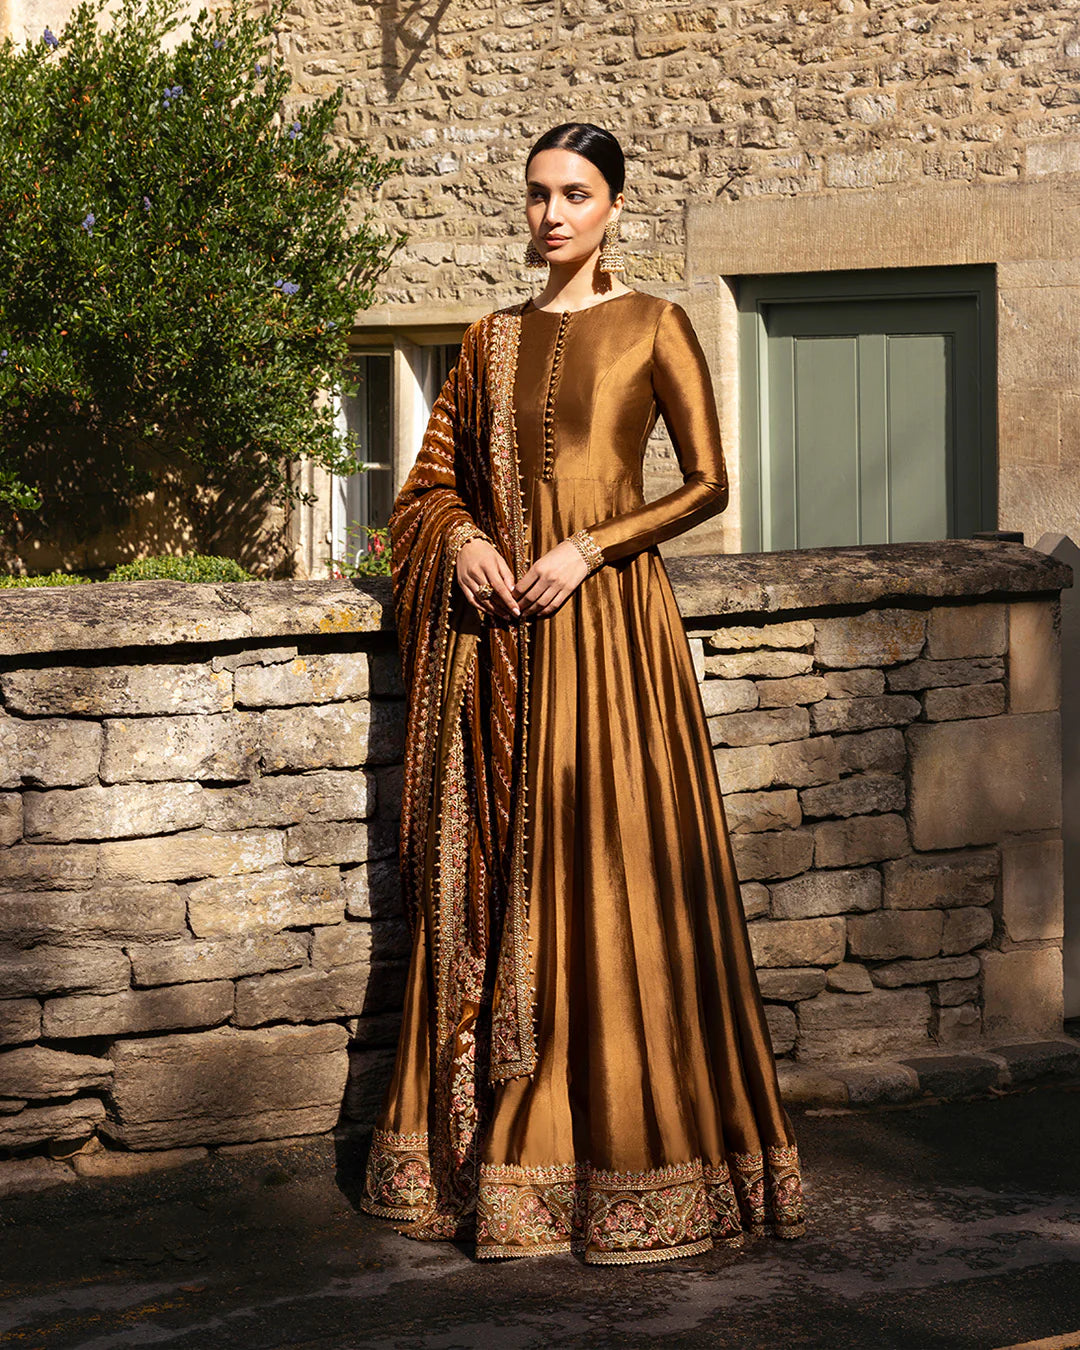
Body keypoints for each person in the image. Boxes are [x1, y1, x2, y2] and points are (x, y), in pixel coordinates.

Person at [359, 121, 807, 1265]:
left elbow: (707, 484)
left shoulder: (655, 323)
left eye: (575, 194)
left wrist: (590, 548)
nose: (552, 214)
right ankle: (495, 1165)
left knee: (612, 874)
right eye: (538, 194)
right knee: (504, 874)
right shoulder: (488, 338)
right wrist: (463, 542)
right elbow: (427, 487)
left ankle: (629, 1157)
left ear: (613, 207)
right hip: (499, 643)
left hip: (609, 639)